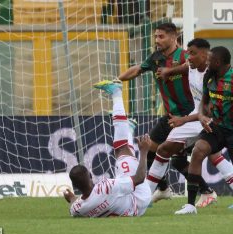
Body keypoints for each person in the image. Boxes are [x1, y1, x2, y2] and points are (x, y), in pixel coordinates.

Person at [147, 39, 233, 210]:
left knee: (204, 154)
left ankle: (147, 196)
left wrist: (187, 119)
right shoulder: (198, 69)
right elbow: (187, 70)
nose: (188, 57)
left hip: (210, 121)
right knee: (183, 153)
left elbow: (209, 107)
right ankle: (152, 198)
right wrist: (169, 71)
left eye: (192, 53)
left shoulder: (216, 73)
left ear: (206, 56)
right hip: (201, 119)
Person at [117, 22, 198, 202]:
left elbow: (191, 65)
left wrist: (170, 71)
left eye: (161, 36)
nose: (157, 40)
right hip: (171, 116)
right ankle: (163, 188)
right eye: (155, 36)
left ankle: (153, 194)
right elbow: (138, 69)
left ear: (173, 37)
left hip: (189, 114)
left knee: (203, 153)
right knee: (158, 152)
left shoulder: (184, 55)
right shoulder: (155, 58)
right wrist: (117, 81)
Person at [63, 80, 152, 217]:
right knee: (121, 150)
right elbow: (139, 178)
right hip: (139, 199)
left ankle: (129, 128)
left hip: (129, 210)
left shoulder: (77, 210)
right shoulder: (106, 187)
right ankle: (116, 92)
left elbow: (77, 202)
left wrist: (71, 198)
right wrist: (144, 152)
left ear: (75, 186)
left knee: (122, 158)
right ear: (91, 176)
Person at [175, 46, 233, 214]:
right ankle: (190, 205)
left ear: (218, 62)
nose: (206, 63)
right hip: (216, 127)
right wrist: (201, 115)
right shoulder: (210, 77)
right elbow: (204, 101)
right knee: (198, 151)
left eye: (209, 60)